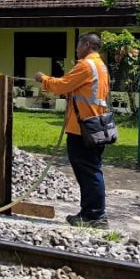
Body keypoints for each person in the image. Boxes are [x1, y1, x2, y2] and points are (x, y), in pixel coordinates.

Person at [35, 32, 111, 229]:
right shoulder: (100, 65)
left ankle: (95, 215)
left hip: (83, 128)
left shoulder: (86, 65)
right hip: (95, 125)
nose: (76, 49)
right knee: (91, 171)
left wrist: (43, 79)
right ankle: (89, 213)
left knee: (89, 172)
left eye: (78, 45)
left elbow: (62, 86)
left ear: (86, 44)